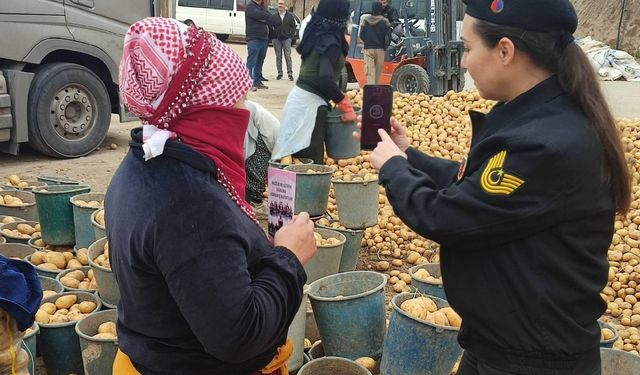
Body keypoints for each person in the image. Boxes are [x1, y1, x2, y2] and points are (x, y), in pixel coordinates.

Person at [365, 0, 631, 374]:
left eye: (468, 48)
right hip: (500, 344)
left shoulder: (544, 142)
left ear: (505, 51)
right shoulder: (536, 116)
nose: (463, 63)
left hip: (532, 362)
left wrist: (393, 168)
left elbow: (447, 215)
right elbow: (477, 187)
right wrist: (409, 155)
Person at [111, 18, 316, 374]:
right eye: (238, 102)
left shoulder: (140, 163)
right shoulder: (189, 203)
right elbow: (239, 335)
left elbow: (199, 272)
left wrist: (252, 250)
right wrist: (288, 258)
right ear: (206, 111)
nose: (244, 114)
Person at [272, 0, 356, 164]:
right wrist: (344, 103)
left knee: (294, 163)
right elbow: (323, 79)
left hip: (300, 102)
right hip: (308, 109)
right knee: (310, 164)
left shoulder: (316, 31)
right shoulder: (329, 40)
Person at [245, 99, 280, 218]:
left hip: (257, 130)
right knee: (258, 162)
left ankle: (251, 198)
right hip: (257, 134)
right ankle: (256, 202)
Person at [359, 1, 391, 84]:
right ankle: (376, 89)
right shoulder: (385, 21)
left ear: (372, 9)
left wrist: (367, 42)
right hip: (380, 49)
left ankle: (371, 90)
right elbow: (388, 38)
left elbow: (361, 35)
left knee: (370, 72)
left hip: (368, 49)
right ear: (381, 9)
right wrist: (385, 47)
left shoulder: (365, 20)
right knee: (377, 72)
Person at [246, 0, 274, 90]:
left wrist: (263, 17)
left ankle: (257, 82)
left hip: (264, 38)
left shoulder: (262, 7)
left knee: (260, 61)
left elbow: (269, 16)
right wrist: (264, 17)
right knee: (252, 62)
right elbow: (260, 15)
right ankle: (248, 83)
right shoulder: (250, 6)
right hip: (254, 38)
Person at [271, 0, 297, 80]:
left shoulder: (290, 16)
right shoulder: (274, 16)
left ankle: (290, 74)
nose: (280, 5)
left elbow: (294, 27)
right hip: (277, 40)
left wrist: (291, 37)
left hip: (286, 39)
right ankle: (280, 73)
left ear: (285, 5)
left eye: (281, 4)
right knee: (278, 57)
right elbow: (271, 26)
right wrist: (273, 36)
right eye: (279, 4)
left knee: (288, 56)